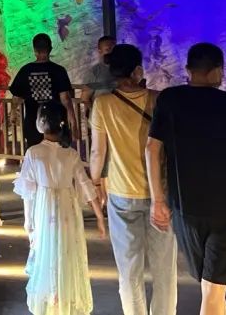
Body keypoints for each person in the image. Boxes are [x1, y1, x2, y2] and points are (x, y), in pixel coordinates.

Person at [146, 42, 226, 315]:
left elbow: (152, 149)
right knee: (213, 289)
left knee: (213, 287)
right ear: (218, 70)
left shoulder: (170, 99)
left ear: (188, 70)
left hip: (185, 209)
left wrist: (157, 199)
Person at [91, 44, 176, 315]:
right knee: (164, 270)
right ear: (138, 70)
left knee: (129, 271)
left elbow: (97, 152)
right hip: (160, 194)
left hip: (121, 194)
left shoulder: (103, 104)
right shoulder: (158, 100)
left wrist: (96, 182)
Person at [14, 101, 104, 315]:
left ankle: (51, 301)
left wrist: (28, 222)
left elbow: (28, 192)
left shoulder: (33, 153)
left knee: (46, 252)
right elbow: (85, 185)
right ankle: (64, 300)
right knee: (66, 251)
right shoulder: (70, 154)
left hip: (44, 209)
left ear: (39, 124)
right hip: (67, 210)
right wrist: (99, 216)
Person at [10, 34, 76, 147]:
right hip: (56, 123)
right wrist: (73, 121)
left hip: (33, 122)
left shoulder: (25, 70)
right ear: (50, 49)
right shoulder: (59, 70)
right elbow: (65, 99)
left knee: (34, 153)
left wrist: (13, 113)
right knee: (59, 152)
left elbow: (16, 97)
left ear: (34, 50)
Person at [82, 35, 118, 102]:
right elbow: (85, 99)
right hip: (101, 107)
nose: (112, 52)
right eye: (108, 49)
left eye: (115, 49)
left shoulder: (124, 69)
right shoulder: (94, 71)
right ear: (100, 51)